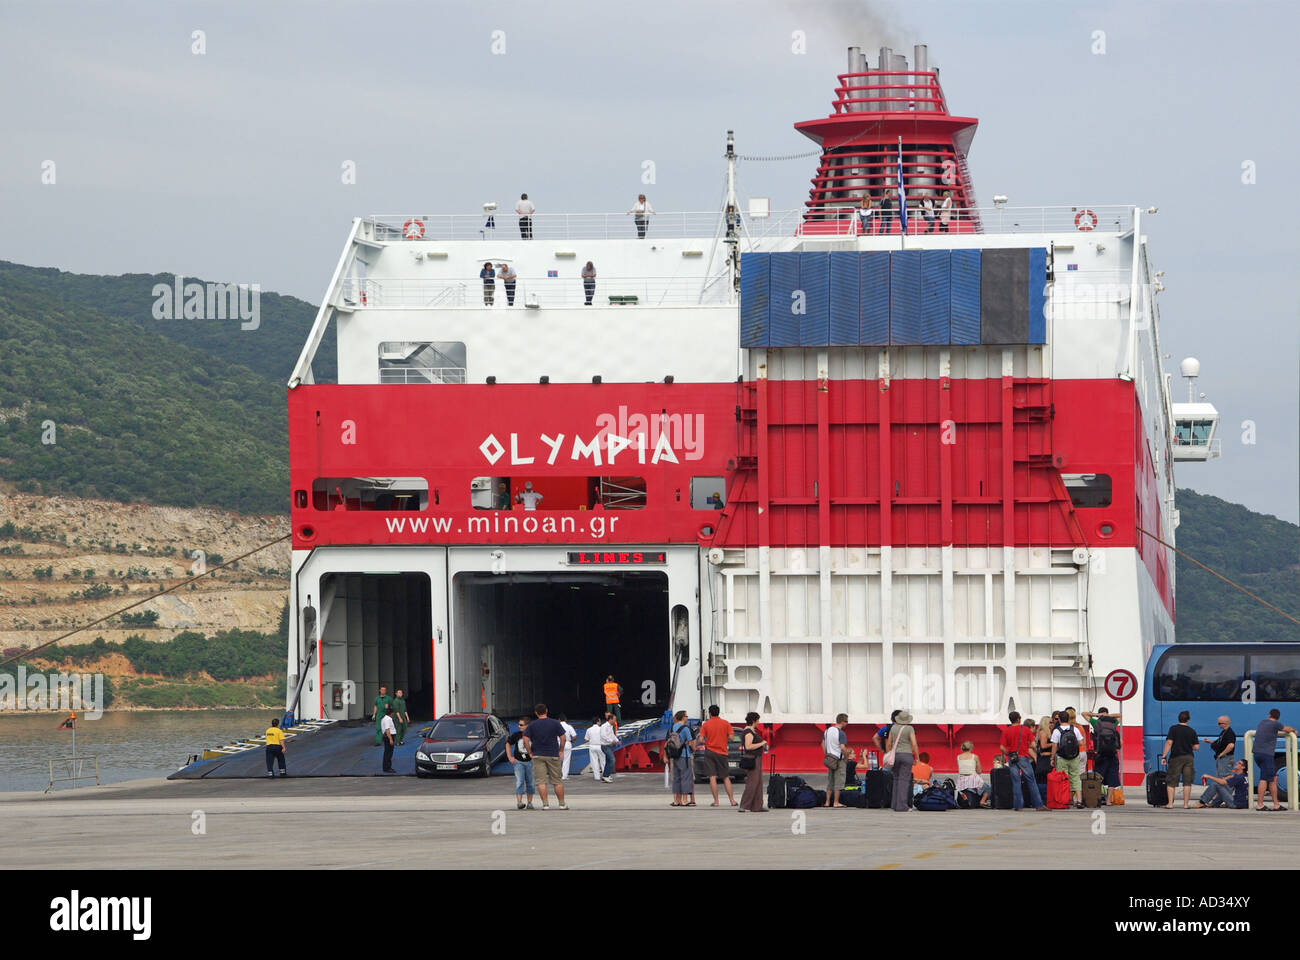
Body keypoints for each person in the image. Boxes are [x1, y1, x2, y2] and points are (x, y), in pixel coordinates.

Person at [523, 703, 568, 810]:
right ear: (546, 711)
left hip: (538, 755)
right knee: (557, 781)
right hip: (553, 754)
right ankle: (562, 804)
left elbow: (525, 739)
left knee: (541, 781)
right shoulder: (555, 723)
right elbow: (563, 737)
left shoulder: (532, 725)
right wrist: (561, 750)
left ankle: (545, 804)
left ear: (536, 713)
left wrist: (530, 752)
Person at [1252, 709, 1297, 811]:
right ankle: (1260, 804)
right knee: (1264, 779)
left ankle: (1276, 804)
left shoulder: (1262, 722)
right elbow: (1287, 729)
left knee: (1272, 779)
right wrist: (1293, 730)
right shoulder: (1276, 724)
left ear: (1269, 715)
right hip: (1266, 755)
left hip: (1257, 753)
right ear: (1278, 717)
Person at [1001, 711, 1046, 811]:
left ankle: (1018, 806)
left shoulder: (1006, 731)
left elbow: (1002, 747)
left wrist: (1008, 753)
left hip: (1012, 758)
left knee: (1016, 782)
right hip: (1023, 757)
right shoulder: (1025, 729)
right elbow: (1033, 745)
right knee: (1031, 781)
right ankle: (1038, 805)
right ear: (1019, 719)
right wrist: (1028, 746)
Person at [696, 704, 737, 807]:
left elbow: (701, 739)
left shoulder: (706, 724)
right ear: (719, 712)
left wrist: (708, 741)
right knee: (726, 777)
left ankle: (716, 801)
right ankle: (732, 801)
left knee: (712, 777)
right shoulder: (725, 723)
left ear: (709, 713)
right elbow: (732, 737)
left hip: (710, 752)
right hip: (722, 752)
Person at [1161, 709, 1199, 809]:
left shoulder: (1173, 729)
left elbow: (1169, 743)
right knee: (1187, 781)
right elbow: (1196, 747)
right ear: (1188, 720)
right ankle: (1186, 804)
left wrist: (1164, 755)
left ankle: (1170, 804)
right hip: (1189, 757)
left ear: (1179, 718)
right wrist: (1188, 745)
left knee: (1171, 781)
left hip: (1176, 757)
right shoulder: (1192, 731)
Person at [1051, 710, 1088, 807]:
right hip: (1073, 757)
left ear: (1059, 719)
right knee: (1075, 778)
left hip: (1061, 757)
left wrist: (1052, 758)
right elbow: (1081, 743)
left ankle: (1065, 800)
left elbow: (1054, 745)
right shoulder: (1074, 729)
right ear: (1068, 718)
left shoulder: (1056, 730)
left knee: (1063, 779)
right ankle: (1079, 801)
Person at [1083, 707, 1123, 788]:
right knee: (1112, 778)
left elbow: (1084, 713)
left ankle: (1099, 796)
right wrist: (1108, 715)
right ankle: (1108, 800)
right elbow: (1120, 715)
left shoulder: (1096, 722)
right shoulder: (1113, 723)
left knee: (1098, 776)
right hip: (1112, 753)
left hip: (1100, 753)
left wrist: (1098, 715)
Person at [887, 710, 918, 811]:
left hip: (895, 756)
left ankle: (894, 805)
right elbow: (914, 744)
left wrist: (888, 754)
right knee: (904, 781)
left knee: (896, 779)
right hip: (906, 755)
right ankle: (902, 806)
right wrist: (917, 756)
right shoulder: (909, 728)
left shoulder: (893, 728)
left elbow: (888, 743)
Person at [738, 712, 768, 812]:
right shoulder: (748, 732)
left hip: (756, 758)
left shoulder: (751, 731)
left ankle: (757, 806)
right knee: (752, 783)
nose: (759, 722)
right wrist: (762, 743)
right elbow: (748, 746)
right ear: (754, 721)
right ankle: (744, 805)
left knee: (758, 782)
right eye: (758, 720)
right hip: (752, 759)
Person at [668, 710, 696, 807]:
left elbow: (667, 741)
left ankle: (676, 800)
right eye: (686, 716)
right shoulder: (685, 728)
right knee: (686, 777)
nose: (687, 717)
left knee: (676, 778)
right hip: (684, 755)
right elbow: (691, 741)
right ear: (683, 717)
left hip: (674, 755)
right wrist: (691, 747)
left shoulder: (672, 728)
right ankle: (684, 800)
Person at [822, 713, 850, 807]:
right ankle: (836, 802)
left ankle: (827, 802)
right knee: (838, 781)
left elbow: (822, 743)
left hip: (830, 758)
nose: (847, 724)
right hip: (838, 759)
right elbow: (842, 747)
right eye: (846, 721)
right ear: (842, 721)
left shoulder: (827, 731)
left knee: (830, 781)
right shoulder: (841, 733)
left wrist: (827, 754)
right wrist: (846, 757)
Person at [507, 716, 535, 809]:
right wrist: (510, 757)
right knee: (519, 781)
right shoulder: (516, 735)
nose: (519, 726)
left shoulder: (533, 735)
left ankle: (530, 802)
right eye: (519, 724)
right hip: (518, 761)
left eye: (521, 725)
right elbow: (507, 743)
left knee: (530, 782)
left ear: (527, 726)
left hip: (530, 762)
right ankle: (519, 802)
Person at [955, 741, 991, 806]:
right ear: (971, 748)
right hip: (972, 778)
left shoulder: (958, 757)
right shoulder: (974, 757)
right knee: (988, 788)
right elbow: (979, 771)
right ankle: (982, 801)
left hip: (961, 780)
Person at [1035, 712, 1059, 778]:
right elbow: (1043, 745)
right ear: (1045, 723)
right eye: (1050, 722)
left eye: (1052, 722)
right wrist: (1053, 743)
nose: (1052, 724)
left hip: (1048, 757)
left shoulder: (1049, 732)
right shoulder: (1043, 733)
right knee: (1044, 779)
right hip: (1044, 759)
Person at [598, 712, 620, 783]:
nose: (615, 721)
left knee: (608, 761)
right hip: (605, 746)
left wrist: (617, 740)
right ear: (610, 719)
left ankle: (605, 776)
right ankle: (606, 776)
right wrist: (611, 741)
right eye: (614, 719)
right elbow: (603, 736)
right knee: (612, 760)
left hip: (609, 746)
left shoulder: (610, 726)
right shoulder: (604, 726)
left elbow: (612, 735)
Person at [584, 715, 605, 781]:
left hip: (592, 746)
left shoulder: (589, 729)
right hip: (600, 746)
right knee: (603, 761)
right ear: (598, 721)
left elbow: (586, 739)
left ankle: (597, 777)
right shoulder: (601, 728)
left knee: (594, 761)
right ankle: (605, 775)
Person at [558, 713, 577, 780]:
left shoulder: (556, 726)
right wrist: (571, 741)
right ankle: (564, 776)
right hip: (567, 743)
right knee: (566, 760)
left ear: (559, 720)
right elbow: (574, 736)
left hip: (559, 743)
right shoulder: (569, 726)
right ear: (565, 719)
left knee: (558, 760)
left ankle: (557, 775)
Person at [380, 705, 397, 773]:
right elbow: (387, 730)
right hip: (388, 737)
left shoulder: (384, 718)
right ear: (391, 713)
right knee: (388, 753)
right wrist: (390, 739)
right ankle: (387, 767)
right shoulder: (388, 719)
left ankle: (386, 767)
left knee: (387, 752)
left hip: (387, 736)